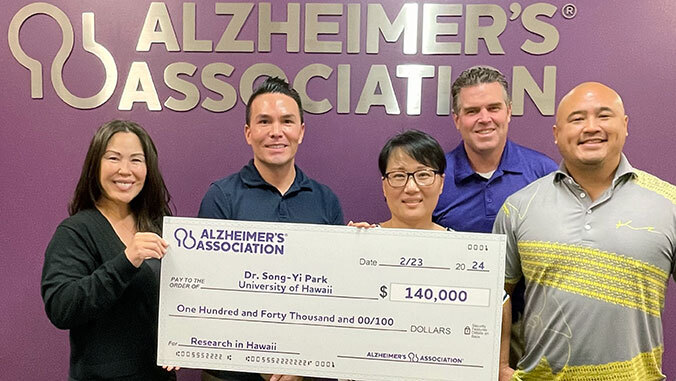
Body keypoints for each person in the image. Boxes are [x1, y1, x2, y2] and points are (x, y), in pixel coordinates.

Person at [493, 82, 676, 380]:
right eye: (577, 119)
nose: (591, 127)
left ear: (625, 125)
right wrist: (499, 365)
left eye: (604, 116)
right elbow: (496, 294)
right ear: (556, 134)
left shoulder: (669, 204)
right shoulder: (519, 207)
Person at [198, 76, 343, 381]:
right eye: (264, 121)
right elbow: (209, 293)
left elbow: (333, 296)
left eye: (287, 121)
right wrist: (259, 354)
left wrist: (300, 361)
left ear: (301, 132)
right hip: (233, 373)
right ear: (248, 133)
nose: (276, 132)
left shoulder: (326, 200)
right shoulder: (221, 197)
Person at [350, 129, 514, 380]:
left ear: (440, 183)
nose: (411, 187)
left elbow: (501, 301)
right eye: (398, 176)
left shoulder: (463, 250)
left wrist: (500, 365)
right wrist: (344, 254)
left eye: (424, 175)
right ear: (384, 185)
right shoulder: (361, 242)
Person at [433, 66, 558, 366]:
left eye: (493, 108)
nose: (484, 118)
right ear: (457, 119)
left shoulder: (544, 173)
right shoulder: (435, 176)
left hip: (528, 327)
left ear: (509, 112)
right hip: (450, 326)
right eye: (472, 110)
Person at [41, 120, 175, 380]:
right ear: (95, 165)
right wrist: (126, 260)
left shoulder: (158, 226)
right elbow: (61, 307)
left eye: (136, 160)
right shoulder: (76, 231)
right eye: (114, 158)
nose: (125, 170)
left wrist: (182, 344)